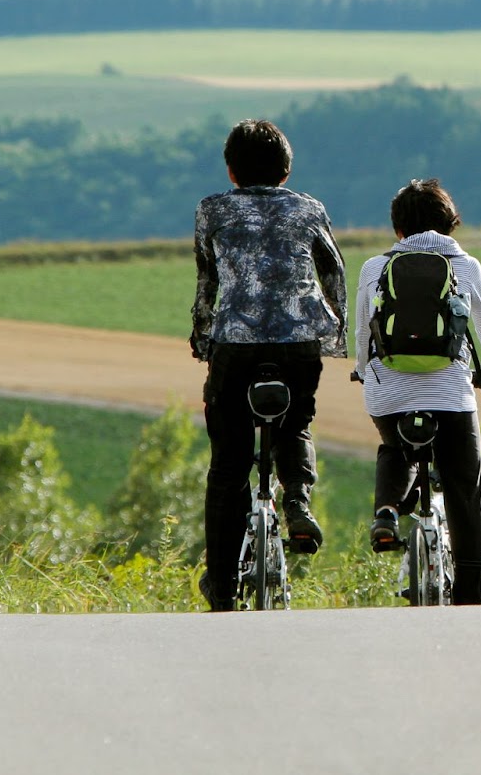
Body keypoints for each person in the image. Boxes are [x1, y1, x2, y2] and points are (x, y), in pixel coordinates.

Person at [190, 119, 346, 612]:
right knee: (296, 421)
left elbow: (207, 283)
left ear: (231, 171)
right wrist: (335, 334)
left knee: (228, 466)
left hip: (235, 345)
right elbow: (333, 274)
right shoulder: (310, 209)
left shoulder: (212, 209)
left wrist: (203, 340)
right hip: (298, 343)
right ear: (286, 171)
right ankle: (297, 498)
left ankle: (221, 586)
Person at [354, 178, 481, 605]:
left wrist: (362, 373)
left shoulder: (375, 268)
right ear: (449, 225)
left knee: (395, 447)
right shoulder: (466, 266)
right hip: (450, 397)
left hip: (389, 396)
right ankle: (470, 585)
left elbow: (361, 336)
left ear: (398, 230)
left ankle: (388, 510)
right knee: (465, 483)